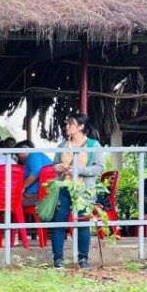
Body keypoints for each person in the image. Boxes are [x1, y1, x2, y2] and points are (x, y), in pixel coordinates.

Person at [50, 113, 104, 269]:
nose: (67, 126)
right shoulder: (62, 146)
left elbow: (99, 167)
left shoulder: (93, 145)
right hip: (64, 188)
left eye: (71, 124)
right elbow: (55, 165)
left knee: (82, 224)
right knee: (59, 223)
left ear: (81, 127)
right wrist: (58, 168)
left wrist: (79, 171)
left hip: (83, 190)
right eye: (67, 124)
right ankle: (58, 260)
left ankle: (83, 259)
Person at [15, 140, 53, 208]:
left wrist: (23, 187)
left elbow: (36, 171)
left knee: (9, 201)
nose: (18, 156)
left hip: (36, 195)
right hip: (44, 193)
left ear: (24, 147)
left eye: (17, 153)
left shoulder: (33, 155)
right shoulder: (38, 155)